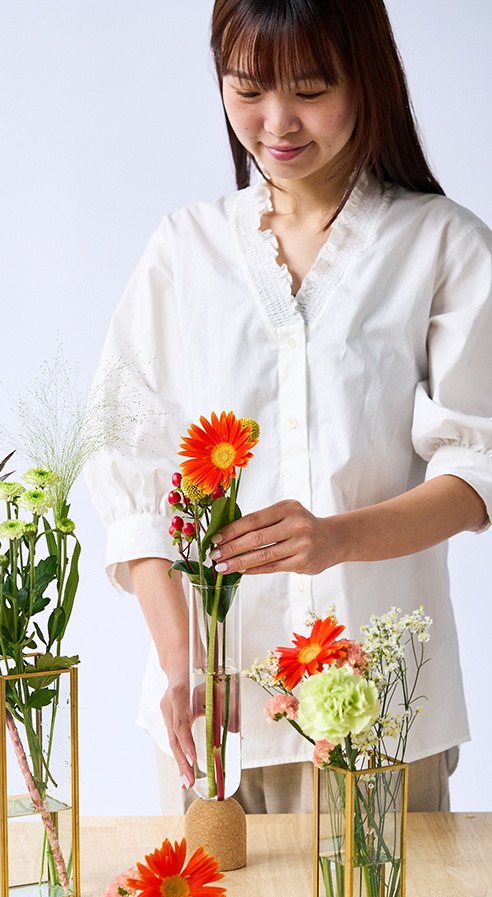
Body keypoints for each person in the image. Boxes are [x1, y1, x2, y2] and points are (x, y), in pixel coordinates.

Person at [85, 0, 492, 814]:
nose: (277, 123)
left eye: (310, 89)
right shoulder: (184, 249)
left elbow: (477, 469)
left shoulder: (443, 246)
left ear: (366, 77)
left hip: (384, 714)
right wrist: (182, 666)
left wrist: (334, 538)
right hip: (216, 721)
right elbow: (128, 474)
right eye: (246, 91)